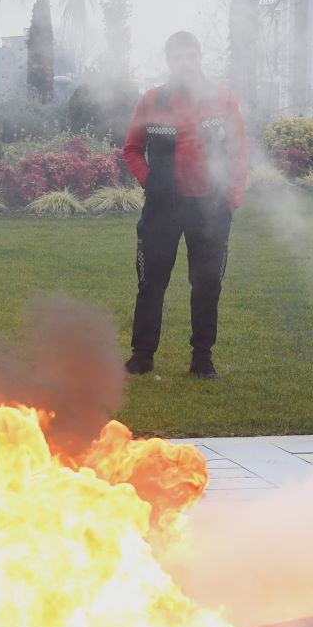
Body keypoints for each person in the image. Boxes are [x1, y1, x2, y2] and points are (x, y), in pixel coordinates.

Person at [121, 31, 247, 378]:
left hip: (210, 208)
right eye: (177, 57)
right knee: (151, 284)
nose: (185, 62)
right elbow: (131, 149)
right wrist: (152, 182)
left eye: (190, 55)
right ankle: (142, 357)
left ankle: (202, 359)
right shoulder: (151, 101)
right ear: (169, 61)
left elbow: (238, 150)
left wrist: (232, 195)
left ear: (199, 56)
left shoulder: (222, 99)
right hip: (163, 209)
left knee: (207, 285)